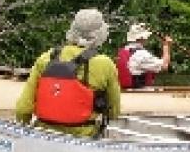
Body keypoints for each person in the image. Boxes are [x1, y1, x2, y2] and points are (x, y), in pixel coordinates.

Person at [16, 8, 121, 137]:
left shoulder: (45, 58)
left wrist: (24, 130)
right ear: (100, 34)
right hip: (83, 138)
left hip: (43, 134)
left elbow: (23, 108)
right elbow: (114, 112)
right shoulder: (105, 64)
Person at [116, 23, 173, 90]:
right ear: (142, 38)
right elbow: (164, 66)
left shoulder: (125, 50)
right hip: (138, 92)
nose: (147, 39)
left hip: (125, 90)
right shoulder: (141, 54)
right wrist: (166, 46)